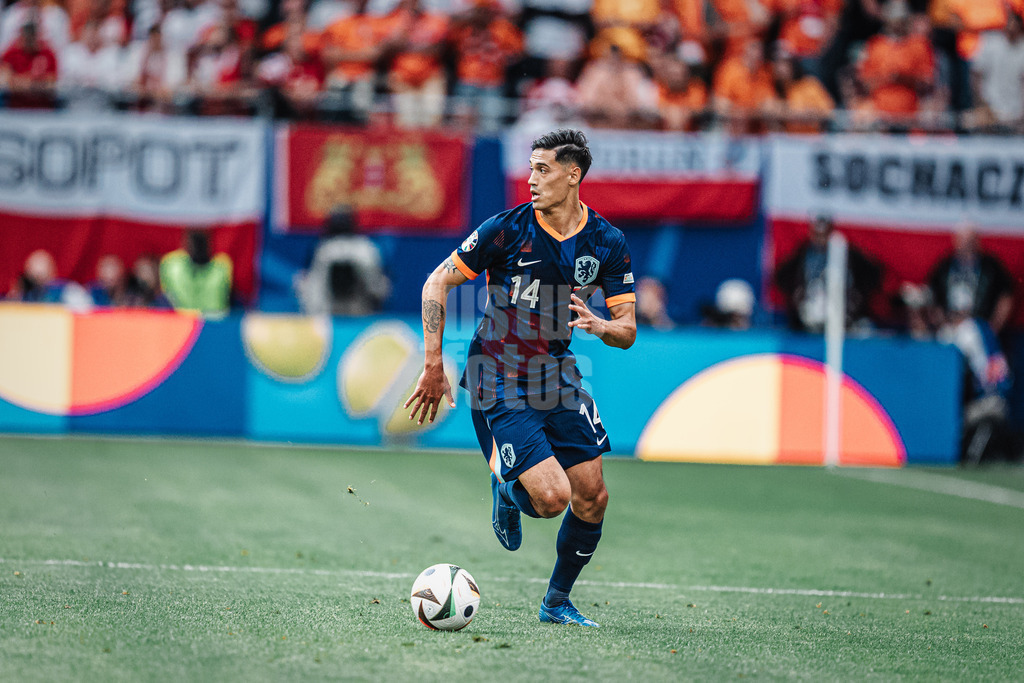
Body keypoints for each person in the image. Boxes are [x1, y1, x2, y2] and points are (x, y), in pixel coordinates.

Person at [405, 129, 636, 628]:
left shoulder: (607, 242)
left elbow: (628, 331)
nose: (531, 179)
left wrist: (602, 326)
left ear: (573, 175)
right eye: (530, 168)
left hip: (556, 374)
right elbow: (437, 280)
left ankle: (556, 602)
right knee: (552, 499)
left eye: (543, 169)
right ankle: (506, 490)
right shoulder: (505, 230)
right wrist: (431, 363)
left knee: (593, 496)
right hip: (498, 371)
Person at [774, 214, 882, 333]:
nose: (821, 239)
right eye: (817, 234)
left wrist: (857, 298)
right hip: (808, 321)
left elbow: (874, 275)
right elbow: (781, 277)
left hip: (844, 318)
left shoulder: (847, 253)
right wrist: (796, 295)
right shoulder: (802, 254)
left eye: (824, 234)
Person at [294, 205, 390, 315]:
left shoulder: (323, 248)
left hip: (356, 312)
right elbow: (378, 288)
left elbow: (376, 287)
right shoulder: (365, 247)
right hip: (331, 312)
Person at [928, 223, 1015, 336]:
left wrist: (995, 326)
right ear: (955, 241)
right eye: (963, 240)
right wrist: (940, 321)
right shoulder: (945, 265)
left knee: (970, 338)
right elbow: (932, 294)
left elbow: (1006, 295)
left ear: (977, 241)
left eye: (970, 240)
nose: (966, 245)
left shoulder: (991, 266)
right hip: (949, 326)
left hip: (979, 327)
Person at [159, 229, 233, 316]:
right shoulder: (172, 266)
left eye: (201, 242)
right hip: (183, 324)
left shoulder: (221, 267)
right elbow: (165, 298)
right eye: (195, 241)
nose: (198, 245)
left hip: (217, 323)